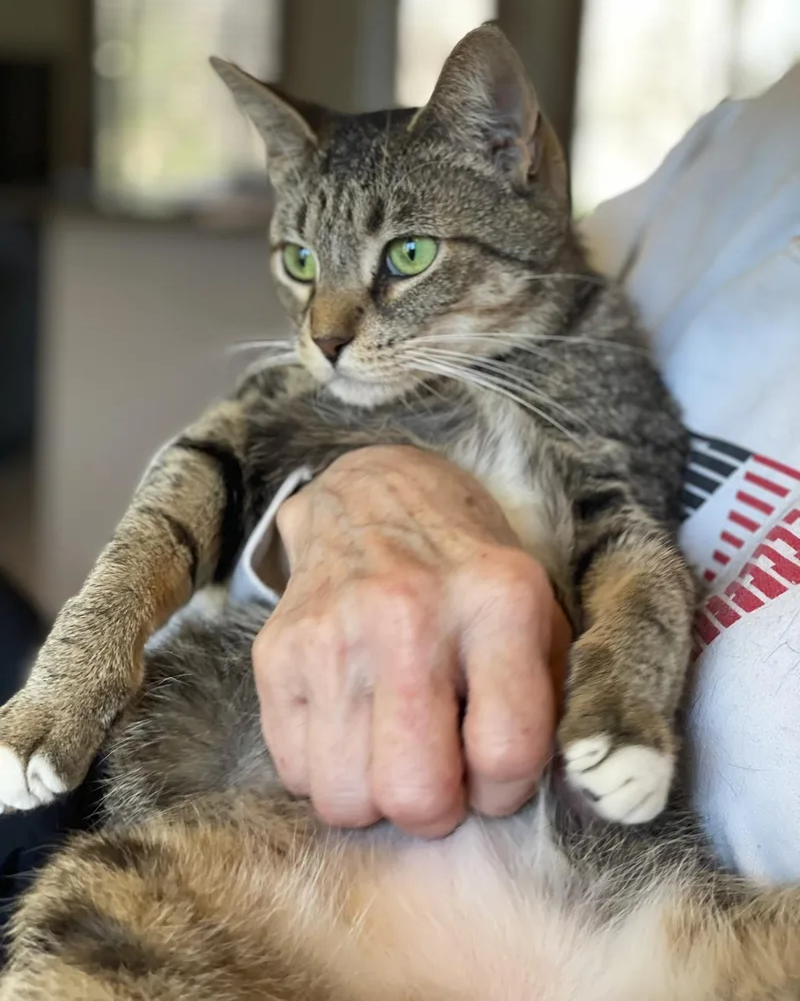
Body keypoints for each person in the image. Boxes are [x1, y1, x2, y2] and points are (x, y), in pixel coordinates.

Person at [244, 62, 800, 880]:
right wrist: (349, 490)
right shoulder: (743, 137)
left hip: (630, 894)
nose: (328, 328)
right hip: (285, 797)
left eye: (405, 254)